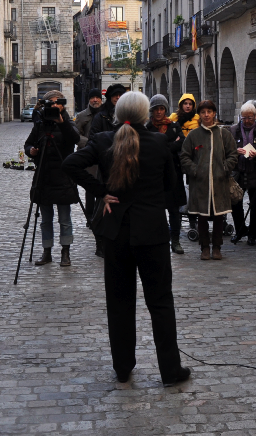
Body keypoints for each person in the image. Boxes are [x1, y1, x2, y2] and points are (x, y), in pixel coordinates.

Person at [61, 91, 190, 386]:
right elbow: (172, 187)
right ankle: (170, 370)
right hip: (152, 232)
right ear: (146, 115)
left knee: (119, 302)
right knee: (160, 302)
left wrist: (101, 190)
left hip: (116, 232)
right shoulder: (159, 143)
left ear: (117, 113)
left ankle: (123, 367)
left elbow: (70, 164)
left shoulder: (104, 140)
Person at [24, 92, 81, 267]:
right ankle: (47, 251)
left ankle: (65, 252)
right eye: (52, 103)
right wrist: (31, 150)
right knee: (45, 219)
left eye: (59, 103)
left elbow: (75, 139)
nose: (56, 106)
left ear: (63, 105)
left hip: (63, 176)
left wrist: (61, 124)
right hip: (44, 175)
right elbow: (28, 144)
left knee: (64, 218)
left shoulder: (68, 122)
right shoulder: (41, 124)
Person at [179, 100, 238, 260]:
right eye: (203, 112)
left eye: (209, 112)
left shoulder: (223, 134)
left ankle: (217, 247)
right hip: (200, 183)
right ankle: (204, 247)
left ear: (214, 114)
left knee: (219, 215)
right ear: (200, 114)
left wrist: (225, 168)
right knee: (202, 216)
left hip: (219, 182)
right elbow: (184, 156)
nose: (206, 115)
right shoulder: (194, 135)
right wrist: (195, 170)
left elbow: (233, 154)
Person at [146, 94, 187, 254]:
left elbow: (182, 142)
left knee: (174, 210)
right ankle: (156, 238)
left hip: (173, 173)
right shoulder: (147, 128)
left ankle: (175, 240)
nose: (159, 112)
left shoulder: (174, 126)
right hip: (154, 174)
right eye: (156, 109)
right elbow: (147, 147)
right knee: (154, 209)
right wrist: (171, 144)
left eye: (161, 108)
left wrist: (163, 147)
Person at [229, 101, 256, 247]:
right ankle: (240, 229)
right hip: (239, 172)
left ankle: (253, 234)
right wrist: (236, 151)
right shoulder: (233, 130)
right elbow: (227, 150)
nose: (247, 121)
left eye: (250, 118)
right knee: (235, 203)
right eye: (244, 118)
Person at [74, 88, 103, 219]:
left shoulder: (106, 114)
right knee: (90, 186)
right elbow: (76, 135)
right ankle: (89, 215)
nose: (95, 100)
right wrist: (91, 143)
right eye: (93, 98)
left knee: (103, 184)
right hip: (89, 155)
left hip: (104, 155)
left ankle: (100, 214)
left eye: (97, 97)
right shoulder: (82, 116)